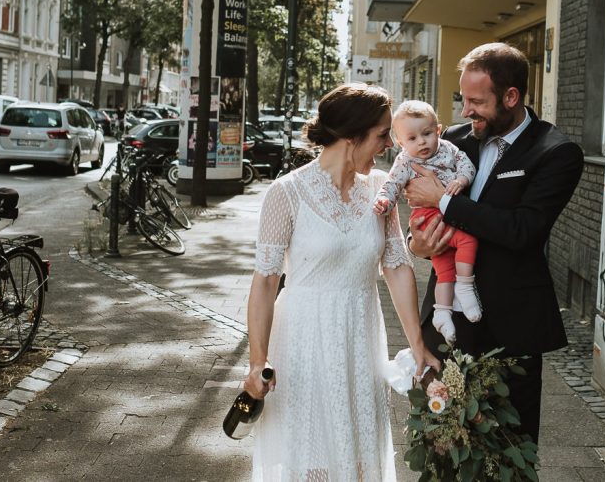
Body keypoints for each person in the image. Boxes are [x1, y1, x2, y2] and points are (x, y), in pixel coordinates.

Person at [245, 83, 440, 481]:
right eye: (383, 134)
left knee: (358, 457)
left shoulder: (381, 190)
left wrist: (418, 347)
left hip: (361, 338)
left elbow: (397, 267)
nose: (389, 144)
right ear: (351, 137)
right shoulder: (287, 192)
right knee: (311, 457)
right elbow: (265, 281)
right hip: (303, 342)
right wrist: (257, 360)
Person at [404, 42, 584, 444]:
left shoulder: (556, 152)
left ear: (511, 97)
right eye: (463, 99)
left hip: (511, 327)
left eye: (476, 101)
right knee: (438, 441)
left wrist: (445, 201)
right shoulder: (450, 141)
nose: (466, 111)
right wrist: (417, 244)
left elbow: (522, 230)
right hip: (446, 319)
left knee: (507, 449)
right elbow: (417, 207)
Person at [373, 100, 479, 345]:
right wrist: (384, 201)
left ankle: (442, 311)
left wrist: (461, 180)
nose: (421, 142)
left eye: (427, 134)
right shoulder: (404, 161)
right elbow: (393, 184)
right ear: (401, 143)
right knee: (467, 240)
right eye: (411, 138)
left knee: (444, 269)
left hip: (448, 212)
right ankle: (465, 287)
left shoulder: (449, 149)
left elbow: (467, 166)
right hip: (427, 216)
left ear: (438, 131)